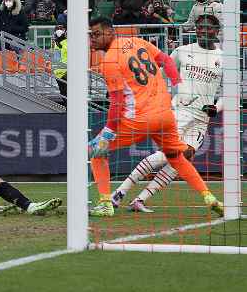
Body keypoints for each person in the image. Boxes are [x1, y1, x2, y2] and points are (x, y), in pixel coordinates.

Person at [87, 16, 223, 217]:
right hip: (166, 115)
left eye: (97, 34)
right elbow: (166, 60)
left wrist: (107, 133)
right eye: (91, 35)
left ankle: (106, 202)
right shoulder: (138, 42)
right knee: (177, 157)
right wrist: (176, 83)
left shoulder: (109, 61)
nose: (93, 39)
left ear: (110, 31)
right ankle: (209, 197)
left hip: (140, 119)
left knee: (95, 151)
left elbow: (117, 103)